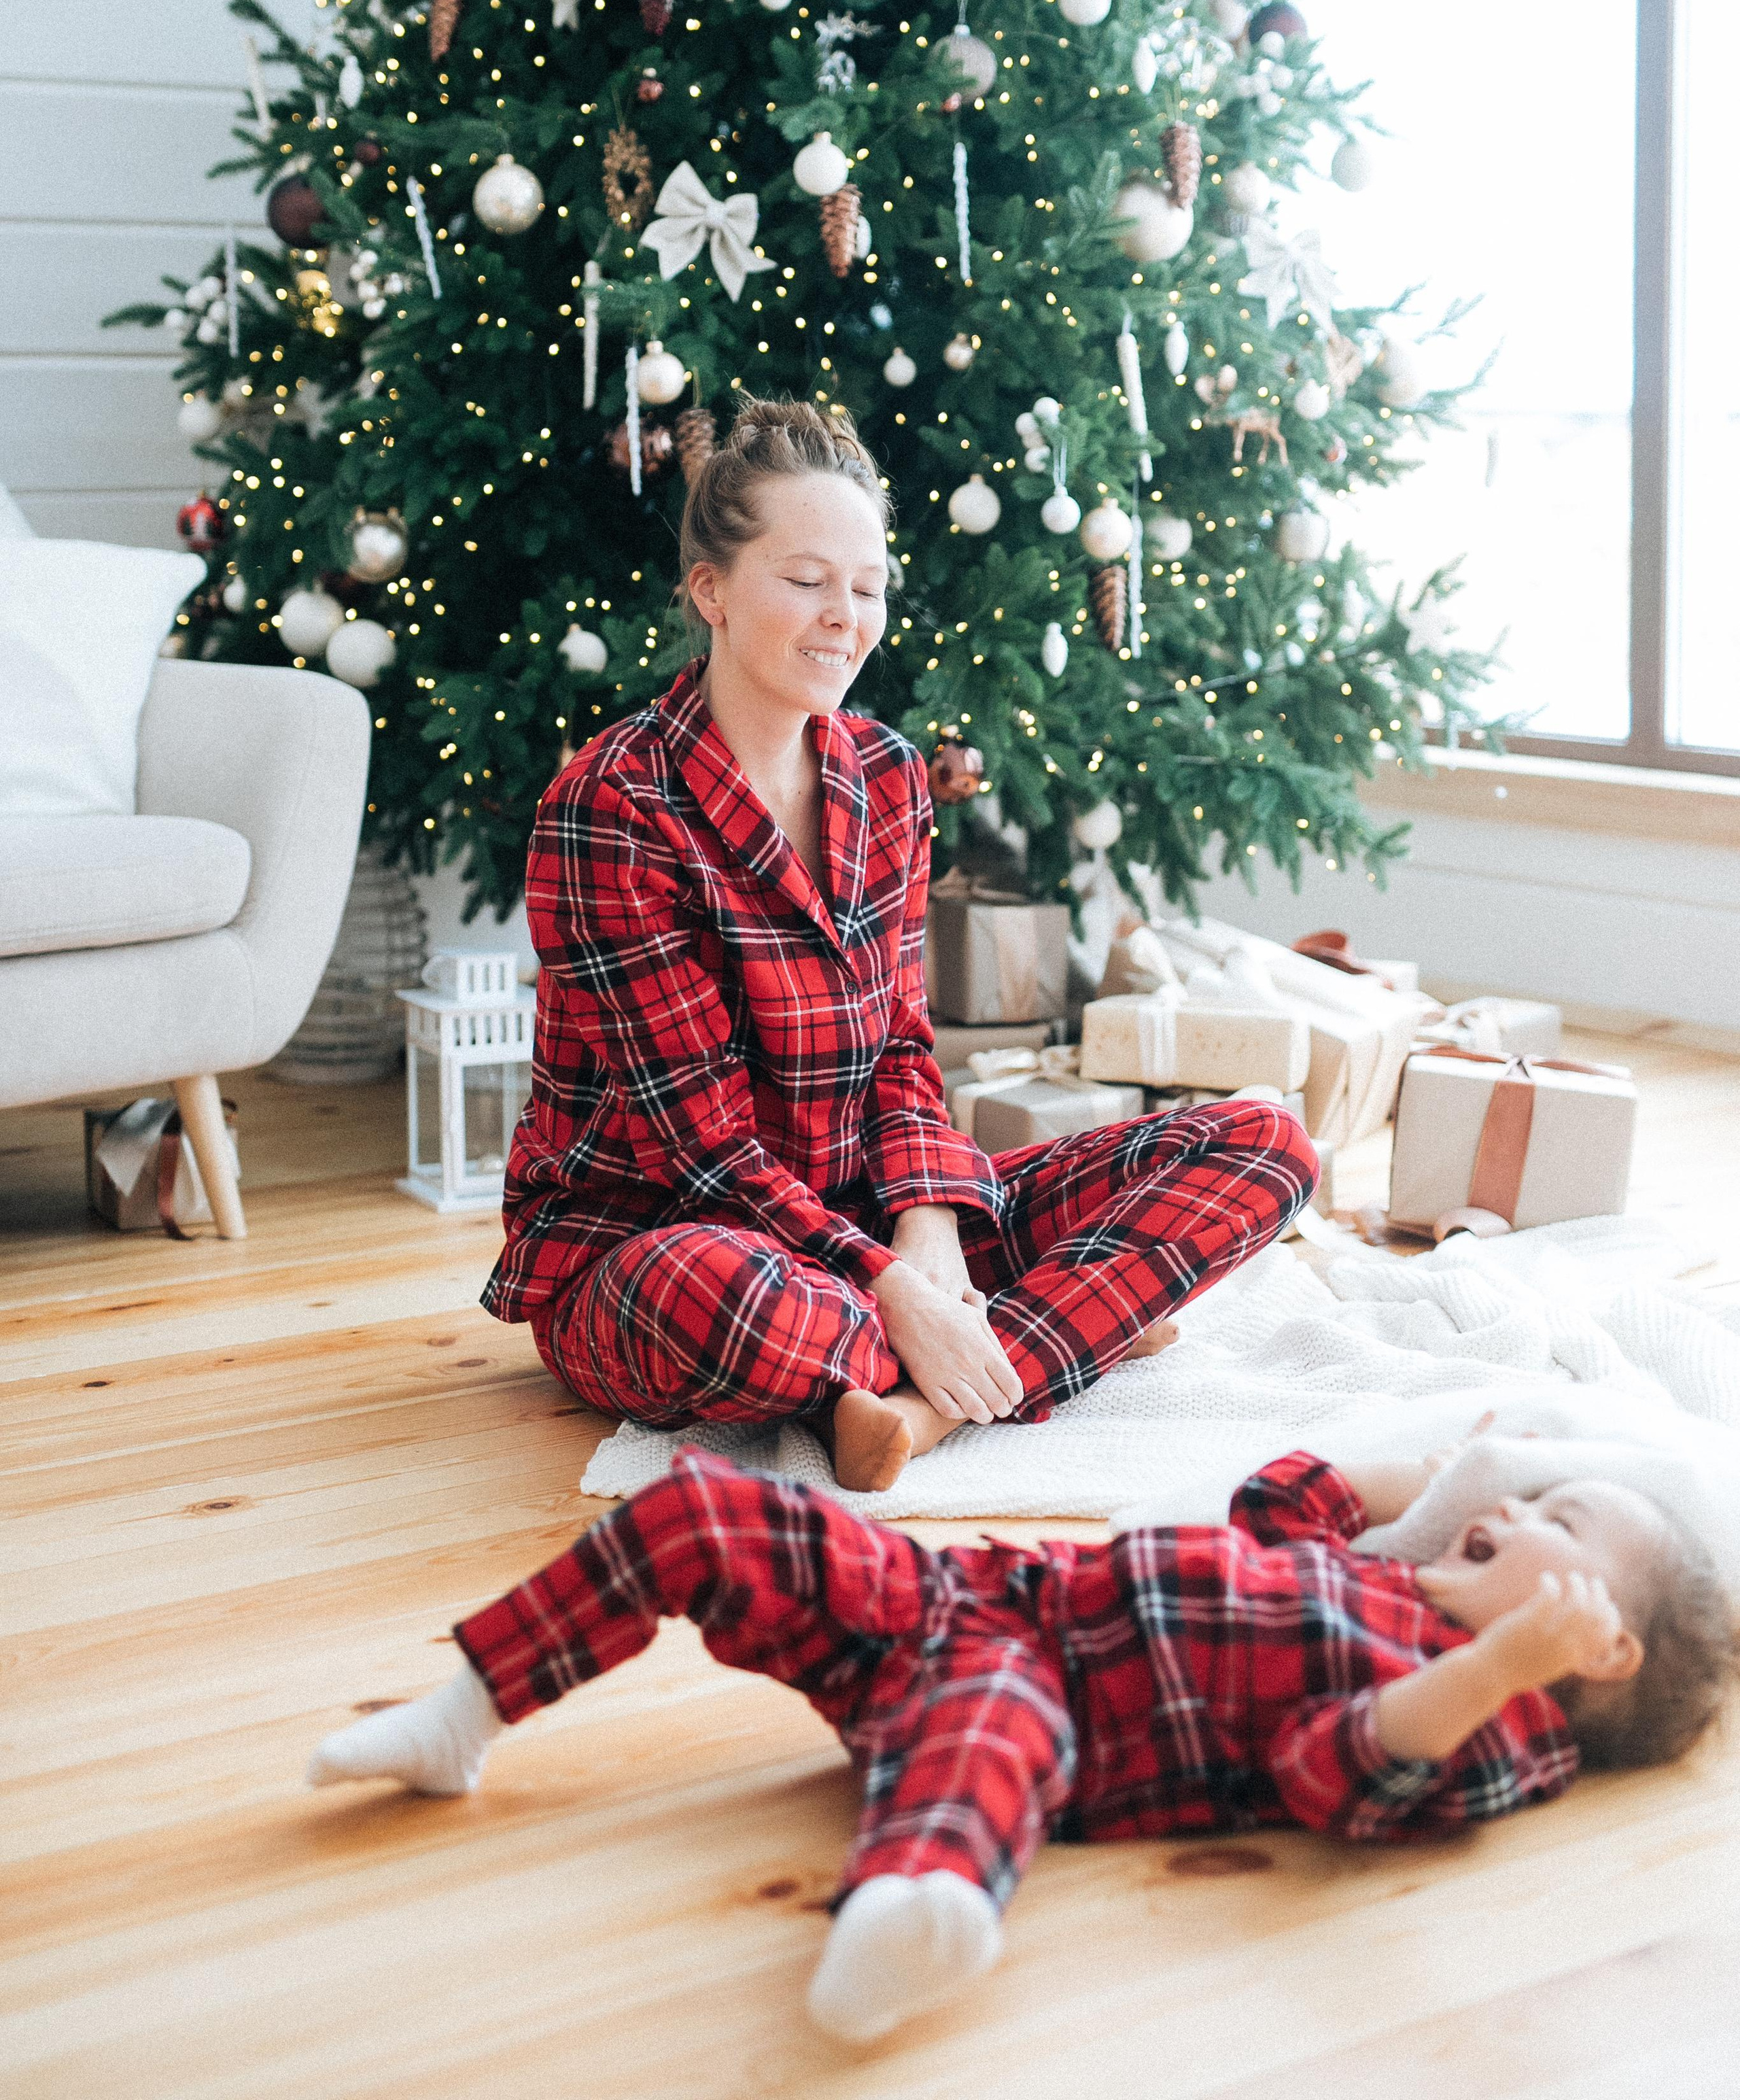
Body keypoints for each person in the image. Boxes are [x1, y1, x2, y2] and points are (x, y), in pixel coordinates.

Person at [483, 398, 1319, 1488]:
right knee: (721, 1293)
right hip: (667, 1238)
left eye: (869, 589)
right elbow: (700, 1151)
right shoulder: (612, 805)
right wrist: (899, 1286)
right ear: (712, 593)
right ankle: (1065, 1335)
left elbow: (903, 1055)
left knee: (1266, 1145)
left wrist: (928, 1238)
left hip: (863, 1214)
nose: (847, 617)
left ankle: (921, 1407)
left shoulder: (887, 777)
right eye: (807, 580)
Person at [307, 1445, 1737, 2044]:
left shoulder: (1488, 1722)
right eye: (1536, 1491)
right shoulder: (1384, 1581)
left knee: (978, 1742)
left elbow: (1340, 1770)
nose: (1524, 1510)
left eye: (1559, 1525)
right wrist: (1427, 1483)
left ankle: (913, 1911)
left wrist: (1498, 1659)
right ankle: (461, 1719)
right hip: (975, 1593)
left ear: (1591, 1650)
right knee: (701, 1509)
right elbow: (1268, 1509)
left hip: (1057, 1705)